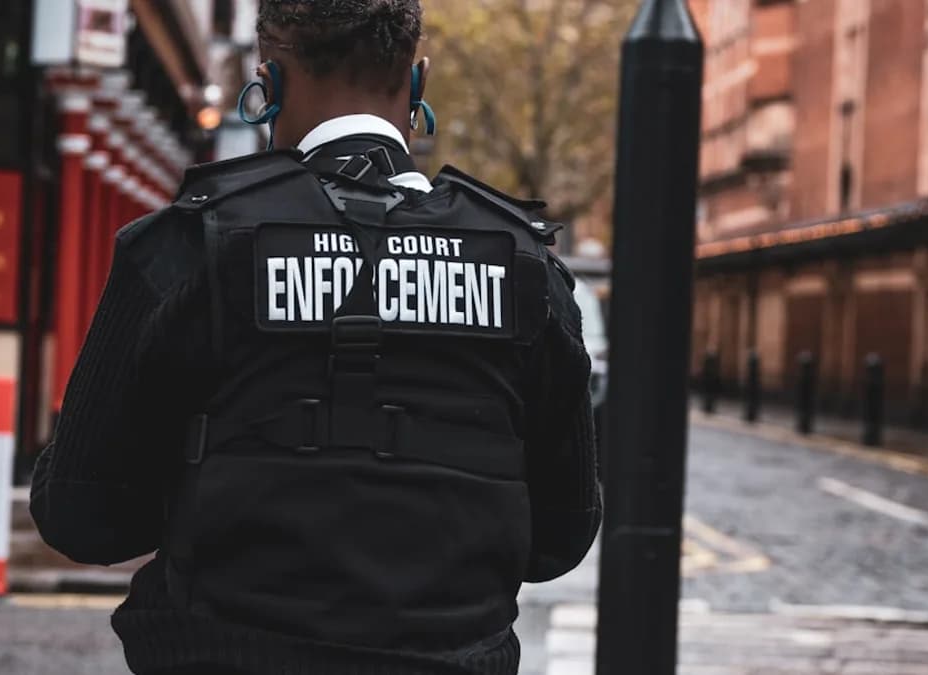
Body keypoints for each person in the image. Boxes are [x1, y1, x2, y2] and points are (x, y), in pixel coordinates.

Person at [30, 1, 601, 673]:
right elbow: (560, 537)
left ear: (266, 84)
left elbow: (78, 515)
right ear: (417, 84)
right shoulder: (526, 268)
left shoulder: (183, 249)